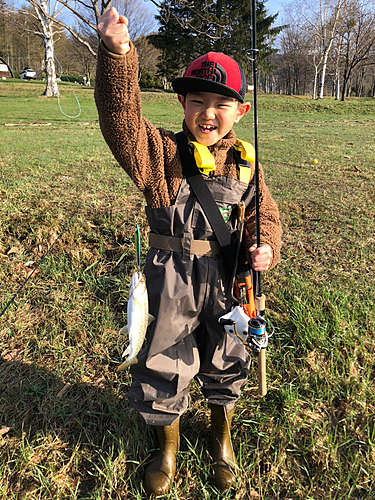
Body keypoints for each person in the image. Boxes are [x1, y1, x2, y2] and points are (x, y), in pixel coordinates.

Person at [95, 7, 282, 497]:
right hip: (171, 279)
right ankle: (168, 448)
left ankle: (221, 439)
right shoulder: (160, 156)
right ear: (181, 103)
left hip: (229, 280)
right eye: (197, 101)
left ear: (240, 112)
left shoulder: (247, 166)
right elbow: (121, 124)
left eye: (221, 105)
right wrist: (118, 57)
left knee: (227, 356)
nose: (208, 113)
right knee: (163, 361)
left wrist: (266, 248)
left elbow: (267, 216)